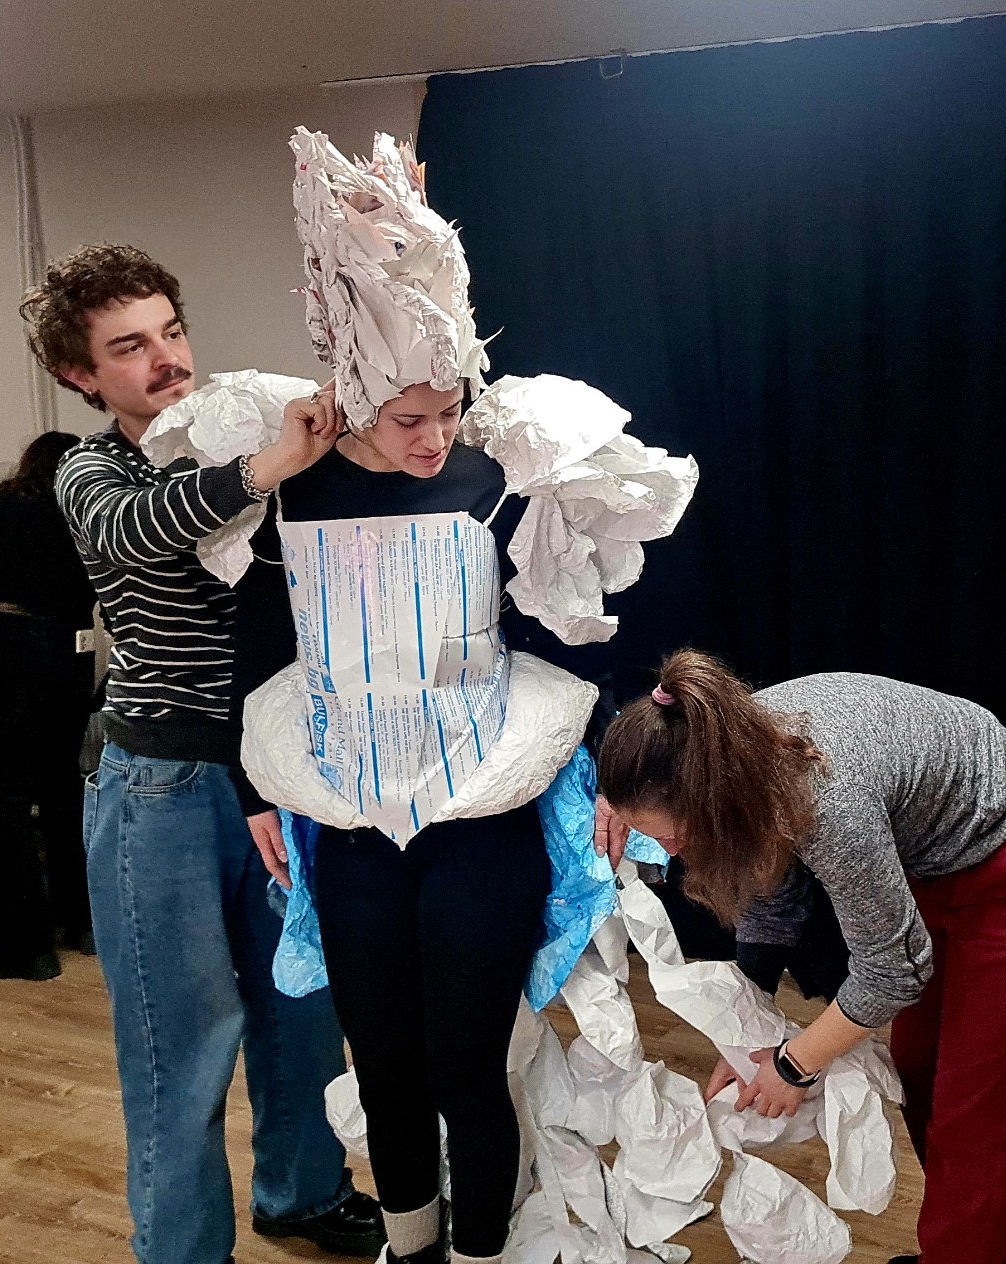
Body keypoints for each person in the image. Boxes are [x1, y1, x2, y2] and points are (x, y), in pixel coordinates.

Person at [224, 129, 695, 1264]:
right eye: (408, 419)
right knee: (385, 1070)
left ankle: (480, 1254)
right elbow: (258, 642)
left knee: (467, 1070)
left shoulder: (497, 474)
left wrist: (616, 780)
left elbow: (573, 628)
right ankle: (412, 1248)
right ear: (357, 398)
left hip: (481, 817)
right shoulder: (294, 492)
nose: (435, 437)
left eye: (447, 411)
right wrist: (254, 790)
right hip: (353, 823)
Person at [25, 243, 383, 1264]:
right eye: (129, 347)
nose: (166, 359)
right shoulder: (93, 471)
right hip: (160, 785)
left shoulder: (245, 427)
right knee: (178, 1040)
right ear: (82, 375)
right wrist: (271, 467)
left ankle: (304, 1192)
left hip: (279, 772)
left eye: (171, 331)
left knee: (302, 1003)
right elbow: (142, 529)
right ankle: (184, 1251)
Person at [597, 651, 1006, 1264]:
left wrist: (792, 1066)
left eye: (670, 834)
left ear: (711, 798)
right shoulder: (722, 745)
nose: (671, 850)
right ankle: (992, 1246)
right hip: (942, 861)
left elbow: (893, 973)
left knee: (976, 1112)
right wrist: (746, 1026)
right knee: (922, 1072)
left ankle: (968, 1248)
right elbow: (772, 887)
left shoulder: (826, 799)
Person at [0, 430, 98, 979]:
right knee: (64, 788)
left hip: (5, 648)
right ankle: (81, 921)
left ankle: (27, 947)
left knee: (6, 799)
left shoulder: (1, 506)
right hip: (73, 652)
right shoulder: (92, 510)